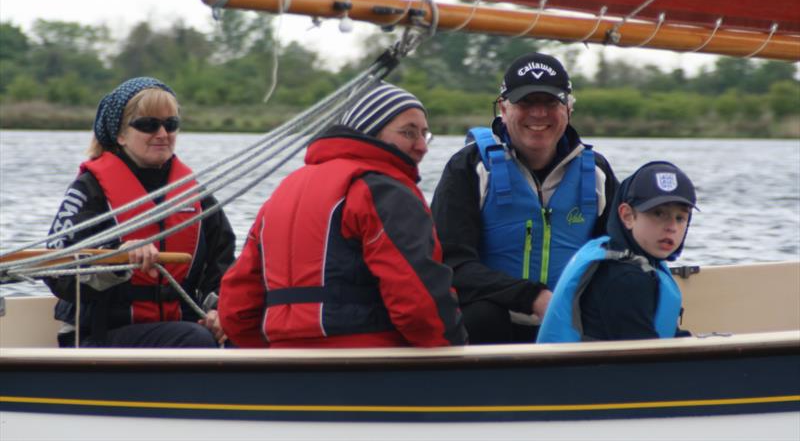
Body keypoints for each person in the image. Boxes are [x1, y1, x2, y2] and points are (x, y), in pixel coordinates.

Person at [219, 83, 467, 348]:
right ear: (369, 131)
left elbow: (236, 308)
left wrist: (267, 353)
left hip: (285, 363)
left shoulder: (283, 190)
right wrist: (454, 351)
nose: (422, 146)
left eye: (425, 135)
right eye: (408, 133)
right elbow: (418, 300)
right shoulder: (385, 190)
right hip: (369, 360)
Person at [431, 52, 618, 344]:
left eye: (550, 102)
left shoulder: (597, 173)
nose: (539, 113)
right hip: (492, 324)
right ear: (503, 110)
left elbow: (618, 255)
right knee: (480, 317)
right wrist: (533, 297)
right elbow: (450, 265)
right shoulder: (469, 168)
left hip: (570, 324)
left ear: (568, 109)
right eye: (526, 102)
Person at [44, 77, 236, 348]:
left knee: (241, 332)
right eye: (148, 125)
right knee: (195, 339)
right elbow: (57, 271)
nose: (162, 133)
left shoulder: (193, 193)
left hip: (177, 329)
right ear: (120, 134)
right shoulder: (90, 189)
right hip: (100, 333)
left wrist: (220, 311)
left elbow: (222, 264)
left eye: (171, 125)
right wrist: (117, 255)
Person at [537, 161, 697, 342]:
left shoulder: (637, 261)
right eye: (658, 214)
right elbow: (646, 357)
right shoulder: (624, 278)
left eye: (680, 217)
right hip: (585, 370)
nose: (671, 227)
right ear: (627, 216)